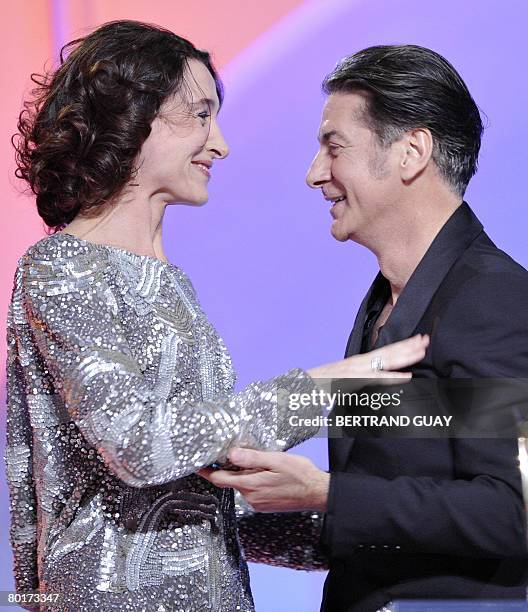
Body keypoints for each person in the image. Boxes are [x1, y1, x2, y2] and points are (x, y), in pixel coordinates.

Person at [4, 23, 428, 612]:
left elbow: (189, 499)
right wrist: (327, 390)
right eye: (201, 115)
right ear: (135, 116)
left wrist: (380, 528)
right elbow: (142, 448)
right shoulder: (62, 267)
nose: (221, 143)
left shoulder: (169, 283)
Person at [203, 45, 528, 611]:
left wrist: (327, 494)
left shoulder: (490, 298)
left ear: (410, 152)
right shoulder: (387, 297)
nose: (314, 175)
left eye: (334, 146)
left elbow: (511, 510)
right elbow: (399, 496)